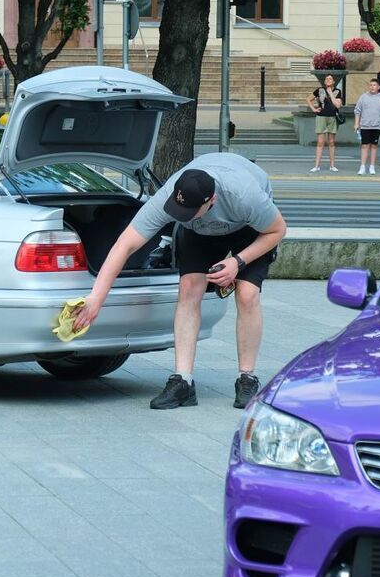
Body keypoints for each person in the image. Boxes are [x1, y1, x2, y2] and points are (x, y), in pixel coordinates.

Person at [72, 153, 287, 410]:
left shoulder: (244, 196)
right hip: (201, 230)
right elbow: (124, 245)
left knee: (247, 293)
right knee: (188, 288)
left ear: (211, 201)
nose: (181, 214)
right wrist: (96, 298)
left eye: (188, 211)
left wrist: (237, 262)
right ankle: (182, 382)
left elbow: (278, 230)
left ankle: (247, 379)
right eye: (179, 210)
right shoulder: (171, 197)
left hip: (251, 229)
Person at [307, 74, 344, 172]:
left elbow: (337, 105)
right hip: (321, 117)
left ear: (333, 81)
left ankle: (332, 165)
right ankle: (316, 165)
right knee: (320, 142)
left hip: (332, 118)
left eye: (330, 78)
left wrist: (330, 93)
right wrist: (314, 109)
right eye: (326, 79)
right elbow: (308, 99)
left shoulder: (338, 91)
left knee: (331, 142)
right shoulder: (319, 90)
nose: (328, 80)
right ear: (324, 81)